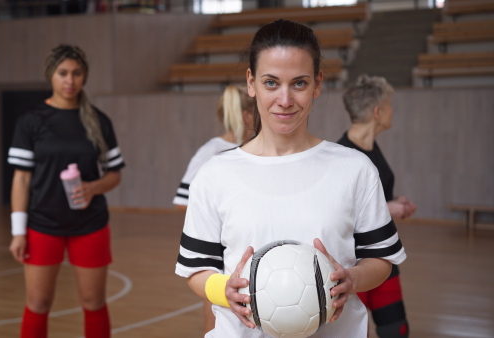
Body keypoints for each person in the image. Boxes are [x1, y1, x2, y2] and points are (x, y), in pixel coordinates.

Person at [175, 19, 407, 337]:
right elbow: (196, 270)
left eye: (299, 83)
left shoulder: (355, 169)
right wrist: (223, 289)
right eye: (271, 83)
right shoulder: (215, 174)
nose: (285, 100)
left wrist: (352, 279)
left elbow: (381, 259)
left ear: (317, 84)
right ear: (251, 83)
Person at [7, 45, 125, 338]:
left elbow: (114, 175)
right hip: (41, 225)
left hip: (90, 225)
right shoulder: (31, 121)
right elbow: (21, 180)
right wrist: (18, 232)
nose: (69, 80)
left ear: (84, 76)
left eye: (76, 73)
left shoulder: (99, 120)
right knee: (38, 303)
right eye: (63, 73)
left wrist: (92, 187)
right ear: (51, 76)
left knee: (93, 302)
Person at [338, 74, 416, 338]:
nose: (392, 111)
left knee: (396, 329)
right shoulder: (341, 156)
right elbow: (339, 209)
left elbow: (375, 194)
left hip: (384, 256)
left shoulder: (372, 146)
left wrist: (394, 204)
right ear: (377, 111)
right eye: (389, 105)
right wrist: (389, 208)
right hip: (352, 263)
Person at [173, 84, 255, 332]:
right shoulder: (211, 152)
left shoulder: (258, 150)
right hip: (219, 257)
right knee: (217, 315)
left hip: (248, 249)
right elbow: (182, 201)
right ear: (248, 115)